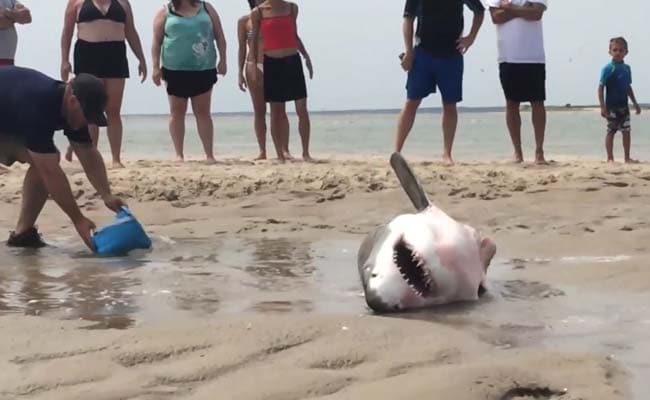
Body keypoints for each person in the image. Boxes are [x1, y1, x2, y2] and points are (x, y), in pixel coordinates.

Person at [0, 66, 126, 250]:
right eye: (87, 117)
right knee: (46, 164)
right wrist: (78, 220)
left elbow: (87, 151)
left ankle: (23, 234)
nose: (88, 123)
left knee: (46, 161)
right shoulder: (40, 104)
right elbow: (50, 172)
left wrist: (106, 194)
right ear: (73, 101)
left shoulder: (71, 107)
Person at [395, 0, 485, 166]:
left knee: (450, 104)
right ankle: (397, 152)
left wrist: (470, 38)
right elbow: (408, 19)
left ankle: (447, 154)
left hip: (451, 54)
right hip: (423, 52)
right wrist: (409, 52)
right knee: (412, 101)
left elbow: (479, 11)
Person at [61, 0, 148, 169]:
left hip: (115, 54)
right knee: (90, 109)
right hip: (87, 53)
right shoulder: (76, 3)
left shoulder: (122, 3)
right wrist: (64, 60)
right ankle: (90, 155)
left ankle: (116, 158)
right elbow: (67, 32)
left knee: (113, 109)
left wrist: (141, 58)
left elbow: (130, 31)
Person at [152, 0, 227, 164]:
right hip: (174, 69)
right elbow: (156, 42)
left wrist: (223, 60)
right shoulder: (165, 11)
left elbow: (220, 35)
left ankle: (209, 155)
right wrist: (155, 68)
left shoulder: (206, 8)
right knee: (177, 112)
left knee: (203, 112)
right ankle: (179, 154)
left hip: (203, 67)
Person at [251, 0, 315, 163]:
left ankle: (306, 153)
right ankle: (279, 154)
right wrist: (255, 66)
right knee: (276, 112)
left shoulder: (291, 8)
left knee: (302, 108)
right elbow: (255, 42)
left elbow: (294, 34)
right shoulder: (258, 12)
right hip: (272, 62)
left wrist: (306, 56)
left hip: (292, 61)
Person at [487, 0, 548, 165]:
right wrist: (523, 10)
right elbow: (496, 17)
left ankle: (539, 151)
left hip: (533, 56)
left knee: (537, 102)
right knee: (511, 103)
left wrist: (509, 8)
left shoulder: (507, 4)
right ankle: (518, 152)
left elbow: (536, 14)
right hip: (508, 55)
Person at [598, 37, 642, 164]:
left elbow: (628, 87)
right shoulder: (607, 68)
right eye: (615, 50)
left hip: (624, 106)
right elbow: (600, 88)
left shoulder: (627, 68)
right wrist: (602, 107)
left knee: (626, 131)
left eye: (621, 50)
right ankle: (610, 158)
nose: (618, 52)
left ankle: (627, 157)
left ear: (626, 52)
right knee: (611, 130)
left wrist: (635, 103)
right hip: (611, 106)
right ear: (610, 52)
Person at [238, 0, 267, 160]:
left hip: (272, 62)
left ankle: (284, 149)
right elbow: (242, 47)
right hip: (252, 65)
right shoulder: (244, 21)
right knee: (259, 110)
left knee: (279, 110)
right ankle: (262, 150)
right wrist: (239, 72)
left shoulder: (273, 17)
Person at [0, 0, 31, 66]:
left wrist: (6, 12)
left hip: (8, 61)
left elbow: (27, 16)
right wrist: (16, 17)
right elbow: (2, 21)